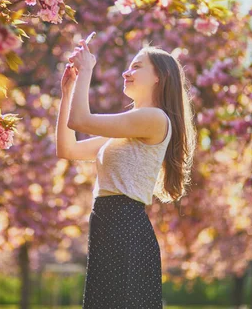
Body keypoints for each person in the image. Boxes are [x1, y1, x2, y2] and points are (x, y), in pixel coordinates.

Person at [56, 39, 196, 308]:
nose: (125, 72)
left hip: (124, 224)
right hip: (109, 222)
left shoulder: (154, 119)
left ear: (159, 77)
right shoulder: (128, 131)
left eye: (136, 66)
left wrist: (86, 71)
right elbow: (68, 149)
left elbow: (81, 121)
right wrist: (67, 92)